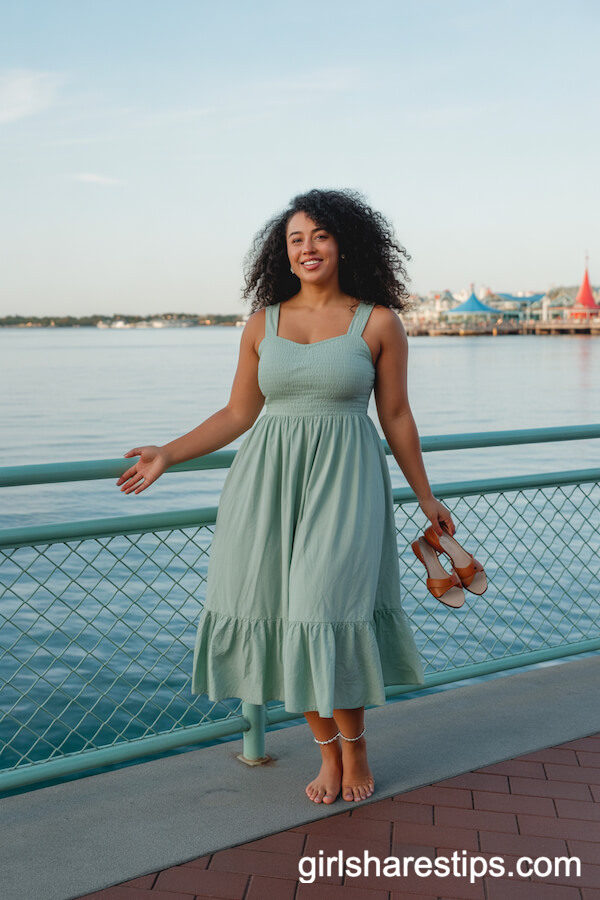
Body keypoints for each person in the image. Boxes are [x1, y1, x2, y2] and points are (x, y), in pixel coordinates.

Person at [116, 188, 455, 805]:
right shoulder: (261, 323)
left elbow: (399, 415)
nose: (306, 248)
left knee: (325, 612)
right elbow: (238, 413)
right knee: (283, 616)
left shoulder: (377, 321)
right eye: (295, 239)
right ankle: (330, 752)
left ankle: (357, 747)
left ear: (345, 244)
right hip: (265, 486)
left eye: (319, 236)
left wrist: (425, 496)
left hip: (347, 484)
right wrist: (167, 452)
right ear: (284, 254)